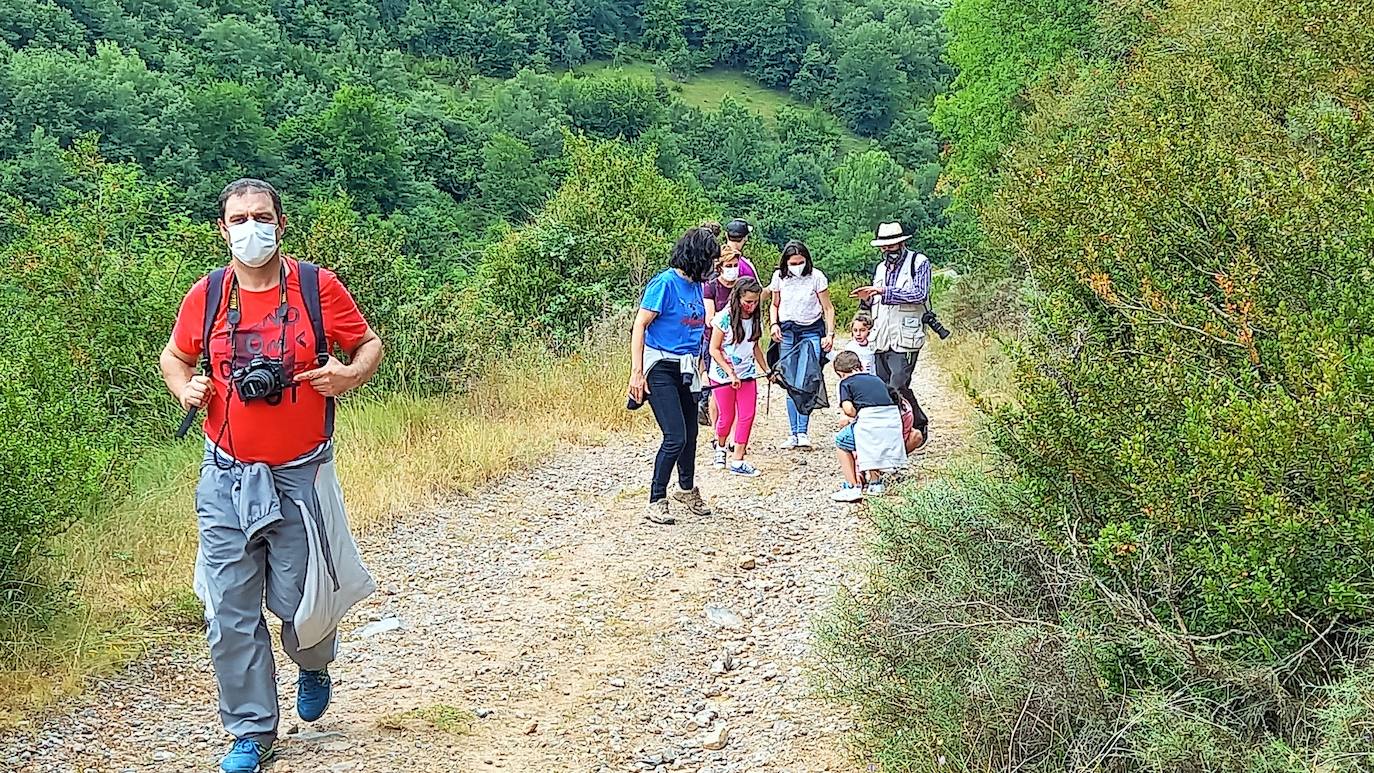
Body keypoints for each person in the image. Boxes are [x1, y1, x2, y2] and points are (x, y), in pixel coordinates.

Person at [158, 179, 383, 773]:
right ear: (222, 228)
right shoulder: (207, 296)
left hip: (300, 473)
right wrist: (187, 388)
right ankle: (252, 732)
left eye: (261, 216)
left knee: (300, 598)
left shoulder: (317, 287)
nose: (249, 227)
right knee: (229, 607)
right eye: (238, 218)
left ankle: (313, 661)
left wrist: (346, 376)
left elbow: (367, 345)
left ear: (280, 224)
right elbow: (175, 357)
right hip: (225, 474)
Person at [629, 227, 717, 526]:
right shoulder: (665, 283)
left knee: (691, 433)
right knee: (674, 436)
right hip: (661, 365)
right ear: (697, 257)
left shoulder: (695, 287)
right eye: (710, 259)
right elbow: (640, 325)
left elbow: (695, 333)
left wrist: (702, 368)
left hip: (687, 366)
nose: (714, 266)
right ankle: (656, 498)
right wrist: (637, 373)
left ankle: (686, 488)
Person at [851, 221, 932, 446]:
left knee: (899, 384)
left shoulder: (919, 262)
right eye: (884, 246)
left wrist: (883, 291)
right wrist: (867, 298)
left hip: (905, 337)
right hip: (882, 337)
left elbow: (919, 293)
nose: (887, 250)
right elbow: (877, 300)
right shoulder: (880, 268)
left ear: (902, 242)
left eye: (891, 245)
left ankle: (917, 425)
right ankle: (897, 430)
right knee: (884, 387)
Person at [768, 240, 836, 448]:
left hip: (811, 331)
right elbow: (774, 304)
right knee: (790, 382)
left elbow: (828, 308)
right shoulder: (779, 277)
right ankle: (793, 432)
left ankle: (803, 431)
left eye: (800, 262)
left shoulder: (816, 277)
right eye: (792, 262)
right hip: (787, 331)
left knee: (806, 379)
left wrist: (830, 334)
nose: (796, 266)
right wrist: (773, 324)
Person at [708, 277, 767, 477]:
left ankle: (738, 459)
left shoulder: (755, 318)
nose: (752, 306)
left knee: (747, 415)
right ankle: (720, 446)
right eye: (748, 302)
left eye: (755, 301)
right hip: (723, 375)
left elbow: (755, 346)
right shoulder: (724, 318)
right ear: (738, 298)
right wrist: (730, 371)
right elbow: (714, 349)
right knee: (726, 416)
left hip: (747, 374)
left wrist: (766, 369)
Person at [829, 351, 906, 503]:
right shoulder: (876, 379)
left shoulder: (845, 383)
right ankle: (875, 484)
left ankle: (852, 486)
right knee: (872, 445)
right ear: (860, 366)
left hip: (870, 422)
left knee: (841, 442)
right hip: (891, 421)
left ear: (840, 373)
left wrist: (849, 416)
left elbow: (849, 410)